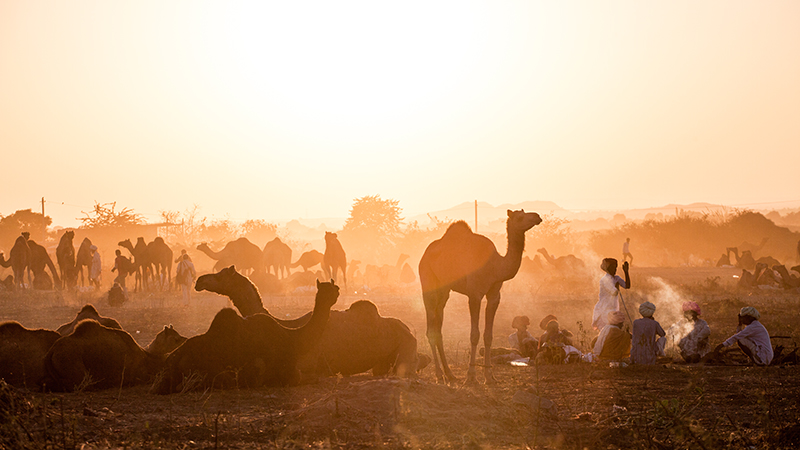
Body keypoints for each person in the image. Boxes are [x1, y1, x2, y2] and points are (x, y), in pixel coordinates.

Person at [592, 258, 631, 331]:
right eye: (612, 268)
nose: (615, 270)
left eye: (615, 268)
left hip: (613, 308)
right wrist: (616, 286)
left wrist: (626, 272)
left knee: (612, 329)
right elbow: (614, 292)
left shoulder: (616, 278)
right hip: (604, 309)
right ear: (608, 269)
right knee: (605, 330)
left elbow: (627, 286)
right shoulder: (605, 279)